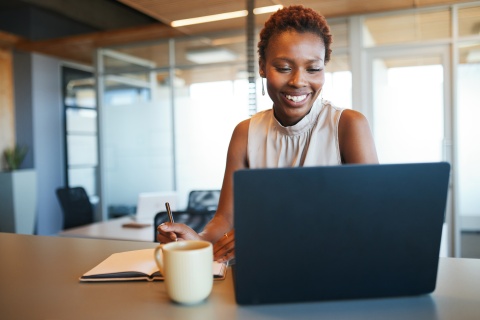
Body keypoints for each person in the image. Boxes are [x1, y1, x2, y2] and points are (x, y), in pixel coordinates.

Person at [157, 5, 378, 263]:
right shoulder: (245, 133)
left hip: (333, 270)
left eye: (313, 69)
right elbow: (225, 219)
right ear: (262, 67)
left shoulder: (348, 126)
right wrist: (198, 241)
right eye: (284, 67)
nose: (298, 81)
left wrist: (270, 233)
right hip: (266, 271)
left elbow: (371, 221)